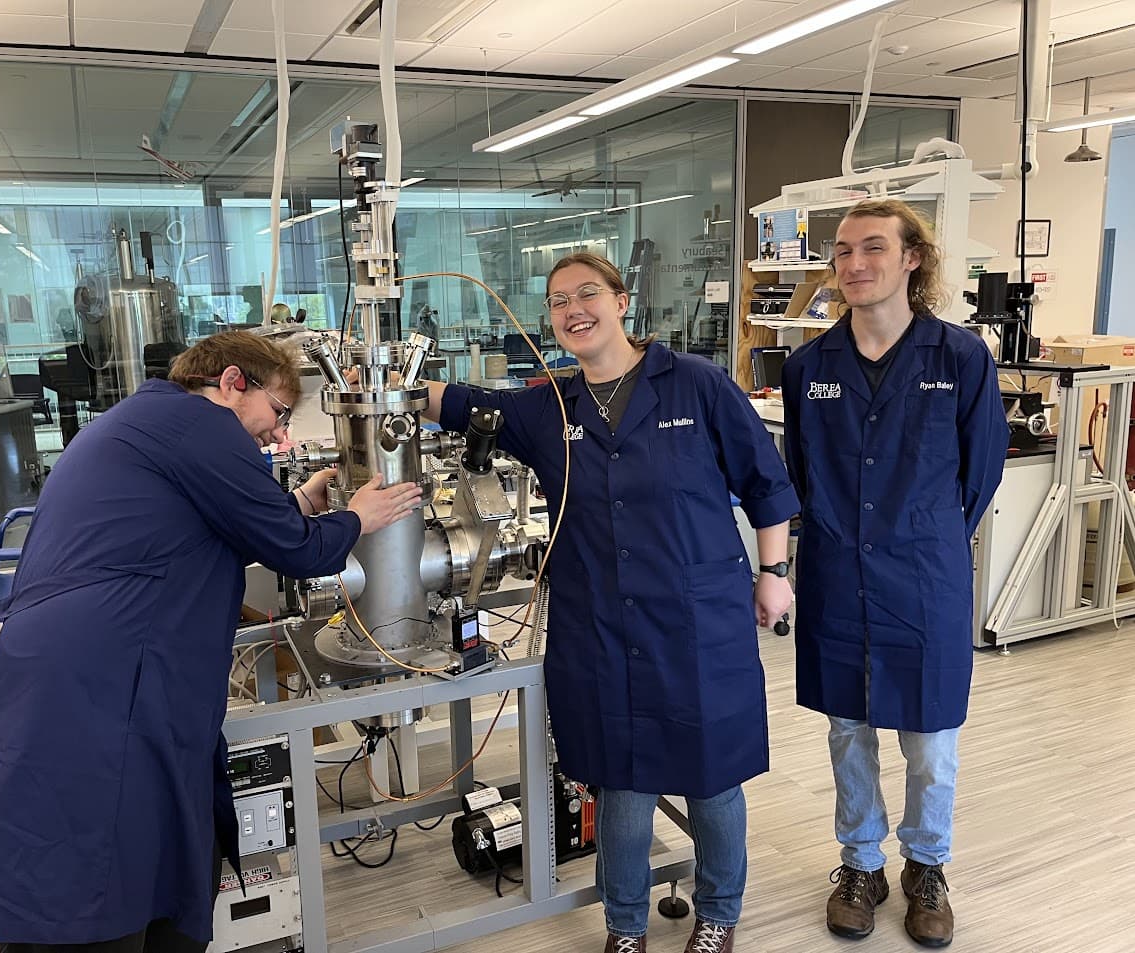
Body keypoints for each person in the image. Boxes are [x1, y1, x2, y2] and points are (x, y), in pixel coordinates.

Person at [0, 330, 422, 953]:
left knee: (140, 861)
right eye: (279, 415)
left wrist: (299, 505)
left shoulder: (152, 419)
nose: (280, 436)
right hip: (99, 685)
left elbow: (208, 520)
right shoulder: (202, 429)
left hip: (72, 672)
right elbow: (297, 551)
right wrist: (357, 517)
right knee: (94, 885)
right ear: (231, 383)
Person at [421, 252, 799, 953]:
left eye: (586, 293)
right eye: (559, 301)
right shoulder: (546, 406)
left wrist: (773, 570)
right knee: (619, 782)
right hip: (597, 621)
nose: (573, 310)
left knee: (711, 778)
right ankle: (624, 925)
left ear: (622, 301)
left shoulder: (695, 384)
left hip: (695, 617)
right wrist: (390, 383)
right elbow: (460, 403)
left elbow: (766, 482)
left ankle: (718, 912)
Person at [780, 200, 1007, 948]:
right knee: (847, 729)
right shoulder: (808, 368)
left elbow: (979, 473)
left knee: (929, 739)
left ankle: (926, 864)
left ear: (912, 259)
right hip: (837, 575)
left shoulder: (959, 358)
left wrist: (923, 537)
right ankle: (858, 863)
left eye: (871, 248)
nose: (852, 264)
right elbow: (799, 475)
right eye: (841, 252)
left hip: (924, 577)